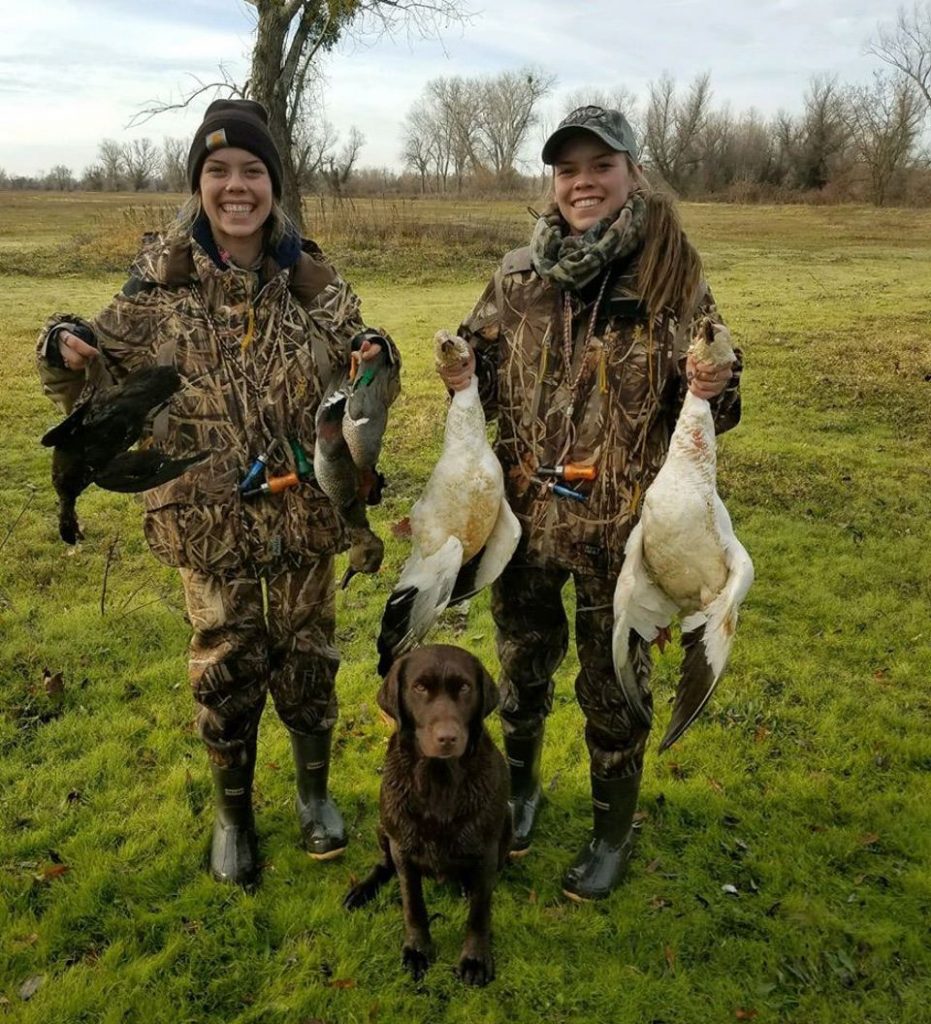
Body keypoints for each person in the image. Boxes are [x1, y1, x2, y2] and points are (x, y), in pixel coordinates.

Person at [36, 99, 399, 888]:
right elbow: (90, 365)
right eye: (219, 171)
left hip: (304, 508)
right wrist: (61, 345)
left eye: (252, 171)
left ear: (274, 183)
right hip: (205, 517)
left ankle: (312, 796)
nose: (237, 187)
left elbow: (363, 363)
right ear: (198, 184)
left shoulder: (311, 279)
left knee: (309, 657)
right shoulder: (156, 284)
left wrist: (379, 357)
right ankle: (233, 817)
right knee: (225, 665)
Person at [437, 106, 742, 901]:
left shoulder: (671, 276)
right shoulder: (515, 278)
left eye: (600, 166)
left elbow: (716, 405)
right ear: (552, 182)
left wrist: (717, 381)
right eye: (567, 169)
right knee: (520, 669)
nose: (582, 182)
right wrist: (457, 374)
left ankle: (610, 833)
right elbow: (478, 381)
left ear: (632, 174)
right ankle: (521, 793)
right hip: (525, 526)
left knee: (614, 688)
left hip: (624, 535)